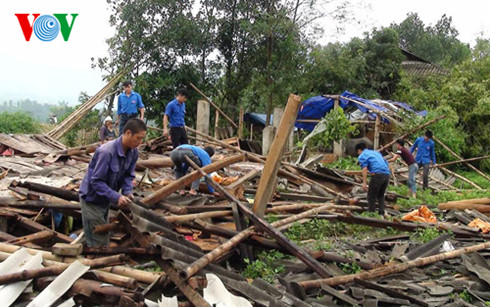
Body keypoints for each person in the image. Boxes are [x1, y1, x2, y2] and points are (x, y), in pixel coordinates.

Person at [79, 119, 147, 247]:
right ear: (128, 133)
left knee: (101, 235)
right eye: (138, 138)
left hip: (105, 199)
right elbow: (96, 182)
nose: (140, 142)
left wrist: (127, 192)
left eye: (142, 139)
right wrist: (117, 197)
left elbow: (128, 176)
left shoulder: (133, 152)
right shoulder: (106, 152)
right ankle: (94, 262)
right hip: (92, 199)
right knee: (98, 243)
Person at [356, 142, 391, 215]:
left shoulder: (362, 155)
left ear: (359, 150)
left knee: (371, 196)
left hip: (378, 175)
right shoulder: (376, 153)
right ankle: (381, 212)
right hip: (386, 174)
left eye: (358, 152)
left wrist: (364, 183)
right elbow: (386, 163)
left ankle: (372, 214)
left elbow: (364, 169)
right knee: (380, 195)